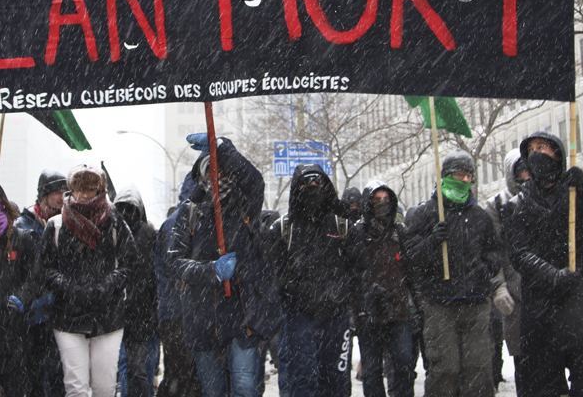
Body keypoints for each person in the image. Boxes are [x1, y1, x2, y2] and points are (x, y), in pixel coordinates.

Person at [507, 131, 583, 397]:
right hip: (542, 309)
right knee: (543, 384)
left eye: (544, 147)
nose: (537, 154)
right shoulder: (519, 204)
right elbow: (519, 253)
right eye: (532, 149)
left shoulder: (577, 194)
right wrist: (554, 276)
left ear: (558, 155)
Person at [167, 135, 283, 397]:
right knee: (214, 391)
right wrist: (211, 271)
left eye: (225, 170)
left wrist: (220, 147)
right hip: (203, 316)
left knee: (244, 386)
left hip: (243, 315)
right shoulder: (190, 210)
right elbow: (174, 261)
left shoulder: (245, 204)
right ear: (202, 174)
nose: (218, 177)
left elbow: (254, 179)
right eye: (212, 170)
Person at [405, 149, 500, 397]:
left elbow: (494, 252)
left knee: (478, 368)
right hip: (439, 304)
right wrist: (431, 242)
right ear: (446, 176)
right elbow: (410, 257)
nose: (465, 181)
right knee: (445, 369)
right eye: (460, 175)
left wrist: (486, 268)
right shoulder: (427, 214)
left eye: (469, 176)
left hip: (476, 303)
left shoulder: (481, 217)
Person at [40, 163, 137, 397]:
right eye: (79, 188)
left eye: (90, 189)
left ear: (99, 190)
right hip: (68, 315)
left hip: (108, 315)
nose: (84, 194)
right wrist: (69, 289)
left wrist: (107, 286)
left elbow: (130, 262)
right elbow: (45, 268)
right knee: (75, 386)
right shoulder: (56, 224)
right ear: (70, 189)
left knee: (104, 386)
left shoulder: (114, 221)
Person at [267, 164, 362, 397]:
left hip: (336, 316)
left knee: (336, 381)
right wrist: (290, 290)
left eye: (317, 183)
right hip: (299, 315)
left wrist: (345, 294)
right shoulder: (282, 229)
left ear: (325, 187)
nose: (312, 189)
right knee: (304, 378)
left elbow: (359, 269)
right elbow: (272, 272)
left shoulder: (342, 227)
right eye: (305, 184)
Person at [352, 178, 415, 397]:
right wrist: (367, 291)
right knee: (372, 369)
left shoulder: (400, 232)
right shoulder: (357, 234)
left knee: (404, 364)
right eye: (376, 199)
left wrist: (415, 303)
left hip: (399, 310)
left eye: (386, 199)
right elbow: (351, 272)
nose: (382, 203)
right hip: (368, 313)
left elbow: (411, 270)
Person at [0, 181, 40, 397]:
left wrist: (21, 298)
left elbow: (35, 277)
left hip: (13, 327)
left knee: (14, 386)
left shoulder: (21, 239)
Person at [16, 169, 67, 397]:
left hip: (63, 315)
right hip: (31, 317)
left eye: (66, 192)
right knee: (33, 379)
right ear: (43, 195)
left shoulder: (70, 226)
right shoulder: (22, 228)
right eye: (57, 191)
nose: (61, 197)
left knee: (60, 379)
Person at [480, 149, 526, 389]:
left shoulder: (548, 198)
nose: (527, 176)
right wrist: (498, 286)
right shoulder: (497, 206)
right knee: (524, 366)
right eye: (521, 171)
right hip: (516, 296)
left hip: (548, 291)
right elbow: (492, 252)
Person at [155, 175, 204, 397]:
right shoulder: (181, 222)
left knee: (180, 375)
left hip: (176, 313)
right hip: (182, 313)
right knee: (189, 377)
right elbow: (174, 270)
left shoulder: (173, 221)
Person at [114, 184, 159, 397]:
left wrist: (154, 312)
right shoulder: (110, 233)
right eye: (121, 208)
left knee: (139, 369)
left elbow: (155, 277)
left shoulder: (149, 236)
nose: (125, 214)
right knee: (127, 367)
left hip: (142, 314)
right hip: (118, 314)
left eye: (130, 209)